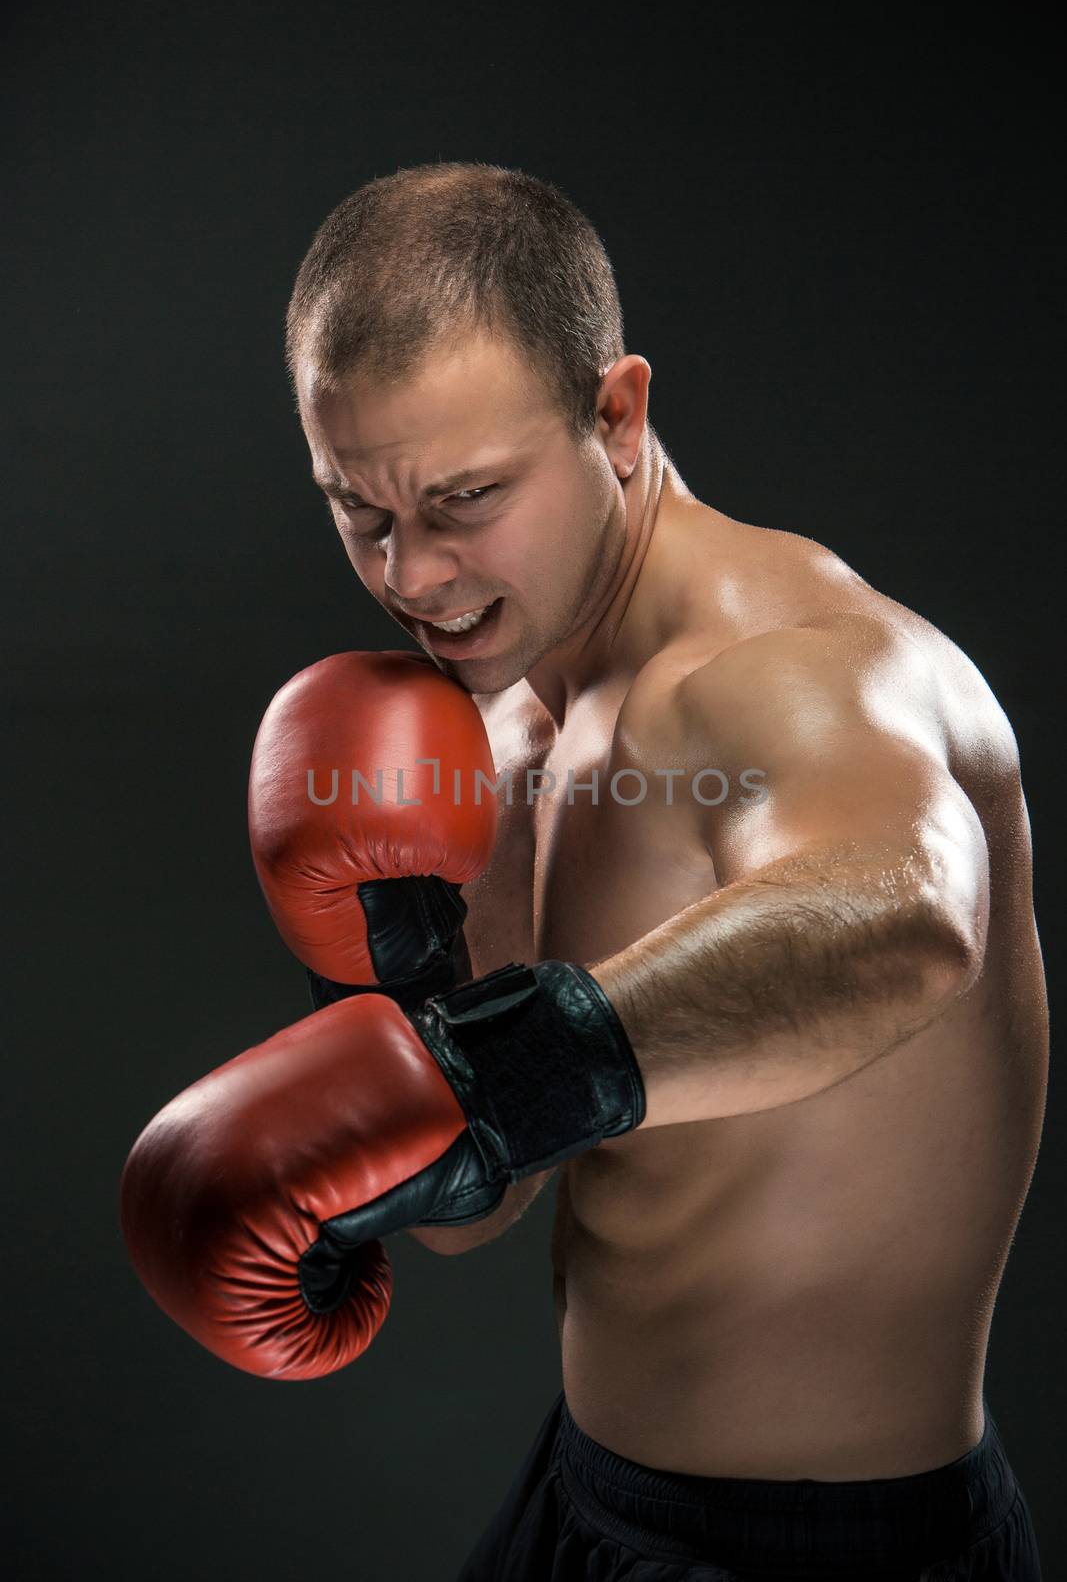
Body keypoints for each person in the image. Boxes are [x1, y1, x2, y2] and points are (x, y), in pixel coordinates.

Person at [123, 163, 1047, 1579]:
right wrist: (402, 985)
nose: (413, 575)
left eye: (465, 498)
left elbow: (911, 916)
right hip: (588, 1499)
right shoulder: (497, 723)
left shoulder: (788, 673)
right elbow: (474, 1207)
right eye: (359, 511)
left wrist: (495, 1071)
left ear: (615, 415)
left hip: (828, 1553)